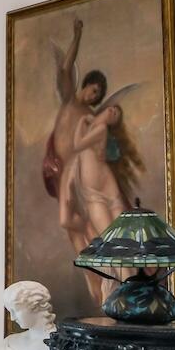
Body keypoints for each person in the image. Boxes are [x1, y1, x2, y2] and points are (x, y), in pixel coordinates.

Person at [44, 17, 145, 305]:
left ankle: (114, 283)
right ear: (85, 85)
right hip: (70, 172)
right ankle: (104, 280)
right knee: (75, 225)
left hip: (85, 174)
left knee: (94, 230)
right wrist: (76, 35)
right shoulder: (70, 103)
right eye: (93, 91)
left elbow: (97, 149)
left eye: (99, 96)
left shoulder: (93, 121)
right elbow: (65, 68)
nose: (94, 97)